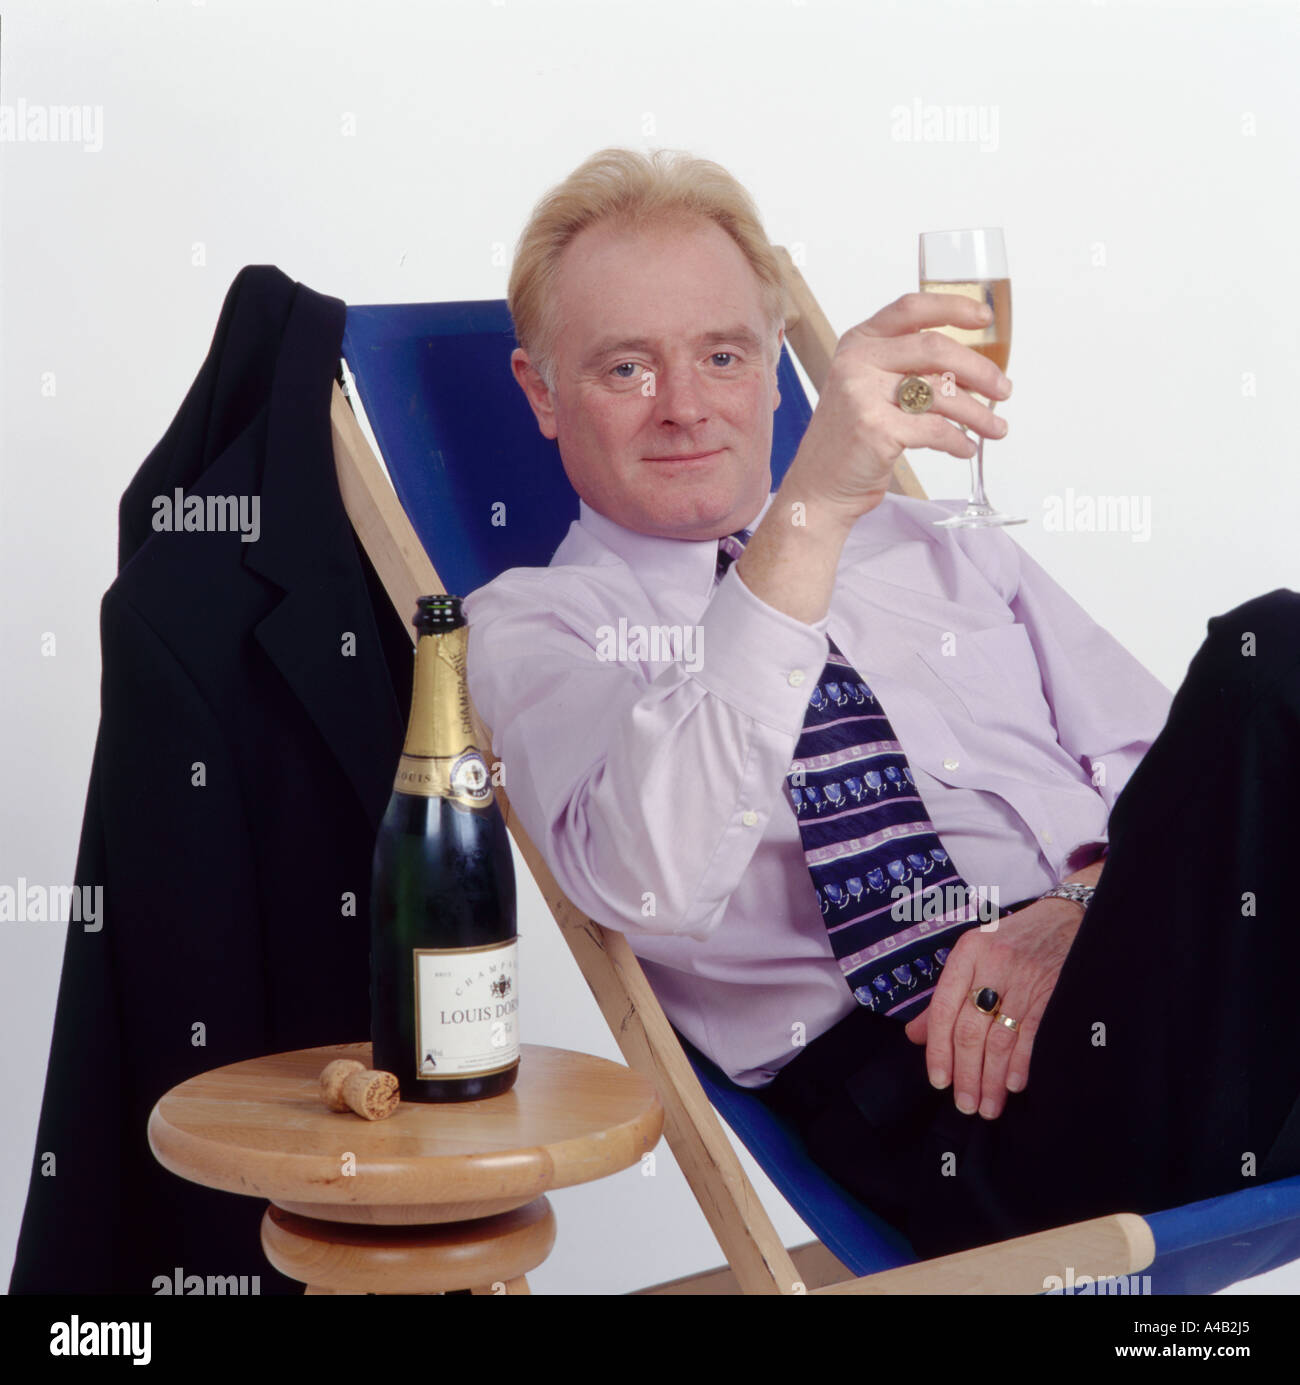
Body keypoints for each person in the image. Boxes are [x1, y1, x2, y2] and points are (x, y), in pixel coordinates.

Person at [462, 146, 1300, 1260]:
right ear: (540, 392)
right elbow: (647, 880)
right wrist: (807, 509)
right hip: (965, 1108)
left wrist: (1068, 912)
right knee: (1273, 646)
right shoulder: (533, 627)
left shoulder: (929, 543)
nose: (684, 407)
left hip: (1173, 1000)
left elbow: (1174, 773)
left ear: (773, 370)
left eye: (721, 354)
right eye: (625, 368)